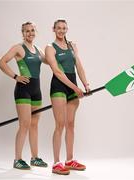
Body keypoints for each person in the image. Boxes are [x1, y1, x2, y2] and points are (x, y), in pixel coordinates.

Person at [0, 22, 48, 170]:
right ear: (23, 33)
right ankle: (17, 159)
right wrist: (15, 76)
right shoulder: (18, 48)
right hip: (23, 90)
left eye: (32, 30)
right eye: (27, 31)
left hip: (36, 90)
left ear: (35, 32)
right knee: (24, 124)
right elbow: (1, 62)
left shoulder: (38, 49)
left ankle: (35, 158)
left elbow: (50, 61)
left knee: (34, 125)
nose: (30, 33)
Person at [45, 19, 90, 175]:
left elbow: (79, 66)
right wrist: (76, 88)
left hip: (74, 86)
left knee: (70, 124)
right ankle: (56, 163)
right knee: (60, 124)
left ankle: (69, 160)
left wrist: (86, 85)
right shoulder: (50, 48)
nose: (61, 30)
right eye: (58, 28)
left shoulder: (72, 45)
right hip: (59, 87)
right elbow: (57, 71)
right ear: (54, 29)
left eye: (64, 28)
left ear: (67, 29)